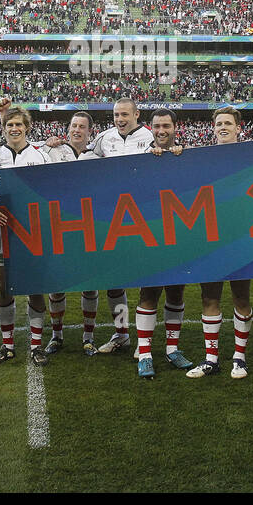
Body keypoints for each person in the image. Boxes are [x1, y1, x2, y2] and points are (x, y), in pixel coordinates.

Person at [187, 106, 253, 380]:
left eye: (228, 122)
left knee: (241, 296)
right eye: (219, 123)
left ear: (238, 127)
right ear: (213, 128)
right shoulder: (202, 157)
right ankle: (211, 358)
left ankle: (239, 358)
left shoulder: (252, 153)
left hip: (241, 238)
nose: (223, 127)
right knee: (209, 297)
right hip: (211, 238)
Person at [86, 98, 154, 354]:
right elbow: (83, 160)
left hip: (143, 218)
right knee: (114, 280)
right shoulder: (105, 138)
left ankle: (144, 340)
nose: (120, 119)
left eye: (125, 114)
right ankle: (122, 332)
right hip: (112, 219)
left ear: (137, 114)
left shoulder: (150, 138)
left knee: (145, 280)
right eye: (116, 114)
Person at [0, 106, 52, 366]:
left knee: (34, 289)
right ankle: (8, 345)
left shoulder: (41, 156)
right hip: (1, 231)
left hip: (32, 232)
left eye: (18, 124)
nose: (14, 129)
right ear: (3, 128)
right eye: (9, 125)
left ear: (27, 127)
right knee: (3, 289)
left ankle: (36, 346)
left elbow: (49, 193)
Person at [135, 107, 195, 378]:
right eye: (157, 126)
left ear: (174, 128)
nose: (161, 131)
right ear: (151, 128)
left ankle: (172, 349)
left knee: (176, 292)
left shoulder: (186, 155)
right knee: (148, 293)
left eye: (166, 126)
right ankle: (144, 352)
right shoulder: (140, 157)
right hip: (149, 234)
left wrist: (180, 161)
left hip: (179, 234)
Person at [41, 110, 103, 355]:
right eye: (73, 125)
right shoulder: (52, 152)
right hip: (58, 226)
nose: (76, 130)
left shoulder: (98, 158)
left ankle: (88, 337)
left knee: (90, 284)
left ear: (90, 131)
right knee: (57, 285)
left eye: (82, 127)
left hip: (88, 228)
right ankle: (56, 335)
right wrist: (45, 144)